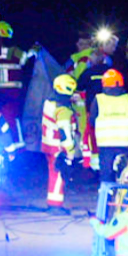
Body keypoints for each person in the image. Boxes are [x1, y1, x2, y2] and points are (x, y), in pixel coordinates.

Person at [90, 69, 128, 183]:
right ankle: (122, 198)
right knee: (124, 176)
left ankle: (106, 198)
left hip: (105, 145)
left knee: (106, 176)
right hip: (125, 145)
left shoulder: (98, 100)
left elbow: (92, 121)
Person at [41, 75, 78, 210]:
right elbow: (65, 132)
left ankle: (52, 203)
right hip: (58, 147)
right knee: (58, 175)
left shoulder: (49, 102)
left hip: (48, 144)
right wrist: (70, 151)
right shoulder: (63, 110)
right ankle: (55, 205)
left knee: (53, 173)